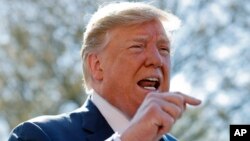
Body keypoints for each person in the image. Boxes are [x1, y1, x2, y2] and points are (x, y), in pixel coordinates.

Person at [8, 2, 201, 141]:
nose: (157, 60)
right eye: (138, 46)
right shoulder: (37, 135)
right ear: (97, 66)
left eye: (164, 49)